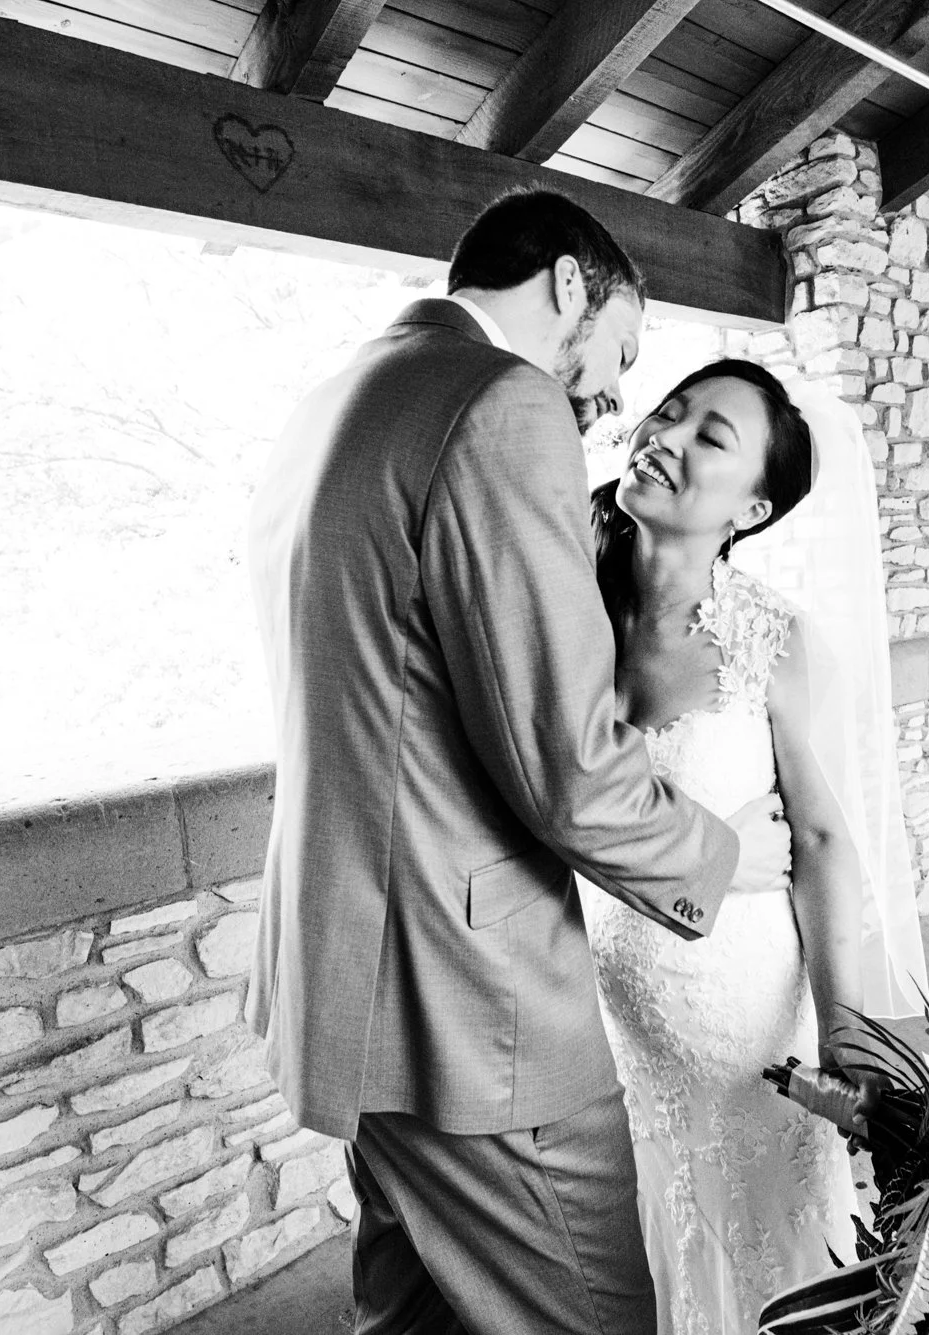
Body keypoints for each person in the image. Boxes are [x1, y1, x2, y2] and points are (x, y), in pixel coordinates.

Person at [243, 190, 795, 1334]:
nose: (610, 399)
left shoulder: (337, 397)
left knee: (414, 1315)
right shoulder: (503, 402)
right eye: (621, 352)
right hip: (467, 1000)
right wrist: (721, 852)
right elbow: (567, 771)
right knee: (589, 1309)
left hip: (351, 973)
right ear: (562, 289)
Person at [583, 360, 927, 1334]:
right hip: (588, 1026)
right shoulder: (561, 606)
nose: (668, 436)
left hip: (736, 1027)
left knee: (761, 1268)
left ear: (752, 505)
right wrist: (711, 844)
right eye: (671, 411)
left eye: (710, 437)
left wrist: (846, 1025)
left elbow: (821, 839)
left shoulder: (772, 642)